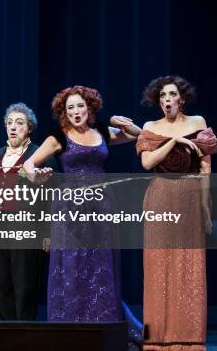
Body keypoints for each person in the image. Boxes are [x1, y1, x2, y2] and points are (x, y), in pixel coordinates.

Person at [22, 86, 142, 349]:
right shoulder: (59, 137)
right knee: (72, 265)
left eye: (80, 106)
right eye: (70, 108)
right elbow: (28, 165)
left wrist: (118, 121)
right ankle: (69, 328)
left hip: (101, 206)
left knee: (100, 265)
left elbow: (139, 136)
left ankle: (103, 325)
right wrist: (34, 175)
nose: (76, 112)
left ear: (89, 107)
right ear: (64, 113)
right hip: (70, 208)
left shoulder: (101, 132)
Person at [137, 76, 216, 351]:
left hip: (190, 198)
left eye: (171, 95)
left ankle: (190, 339)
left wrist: (206, 207)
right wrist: (174, 140)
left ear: (181, 99)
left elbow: (205, 168)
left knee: (189, 263)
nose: (166, 99)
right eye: (162, 96)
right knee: (158, 265)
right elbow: (148, 163)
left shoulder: (198, 123)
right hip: (160, 196)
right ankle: (156, 340)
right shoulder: (150, 127)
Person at [0, 102, 56, 320]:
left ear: (30, 128)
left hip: (27, 227)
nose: (13, 127)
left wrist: (48, 233)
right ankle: (5, 337)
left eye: (19, 123)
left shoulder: (40, 155)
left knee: (25, 286)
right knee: (1, 286)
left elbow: (51, 199)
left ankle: (25, 337)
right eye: (9, 123)